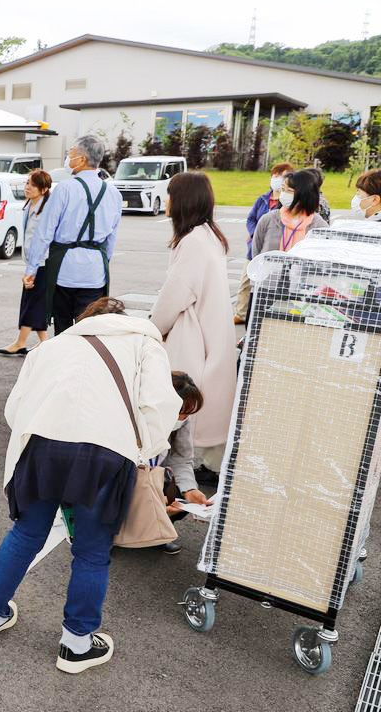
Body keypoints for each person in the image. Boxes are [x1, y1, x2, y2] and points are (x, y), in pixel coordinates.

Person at [0, 297, 180, 674]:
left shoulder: (52, 346)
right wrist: (141, 450)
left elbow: (14, 409)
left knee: (25, 534)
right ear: (123, 320)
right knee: (91, 551)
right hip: (105, 454)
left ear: (86, 320)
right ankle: (76, 645)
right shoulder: (144, 343)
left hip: (41, 448)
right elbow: (158, 406)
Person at [149, 172, 237, 476]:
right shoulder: (209, 235)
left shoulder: (193, 242)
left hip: (193, 336)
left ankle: (179, 468)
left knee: (181, 402)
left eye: (171, 194)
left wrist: (151, 329)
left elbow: (173, 297)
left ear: (183, 200)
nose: (167, 200)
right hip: (209, 332)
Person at [23, 135, 121, 336]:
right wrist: (101, 261)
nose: (68, 157)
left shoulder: (65, 189)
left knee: (63, 330)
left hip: (65, 271)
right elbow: (111, 239)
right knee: (89, 331)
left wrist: (32, 269)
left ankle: (65, 366)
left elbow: (44, 233)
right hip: (95, 274)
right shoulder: (113, 193)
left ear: (82, 159)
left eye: (71, 154)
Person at [0, 169, 53, 356]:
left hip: (42, 263)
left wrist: (33, 269)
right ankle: (44, 342)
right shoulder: (31, 204)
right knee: (35, 302)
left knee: (31, 303)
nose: (27, 187)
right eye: (27, 183)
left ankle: (20, 343)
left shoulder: (47, 209)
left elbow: (43, 240)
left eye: (32, 184)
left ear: (44, 189)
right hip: (33, 261)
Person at [156, 371, 213, 554]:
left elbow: (182, 458)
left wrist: (190, 490)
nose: (184, 418)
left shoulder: (181, 422)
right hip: (126, 476)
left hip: (152, 474)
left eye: (188, 413)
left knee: (181, 494)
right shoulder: (138, 416)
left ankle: (158, 533)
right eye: (181, 412)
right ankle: (111, 535)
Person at [234, 164, 288, 323]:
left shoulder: (286, 202)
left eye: (281, 176)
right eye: (275, 176)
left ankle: (259, 316)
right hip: (254, 248)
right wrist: (254, 233)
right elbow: (251, 219)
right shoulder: (263, 199)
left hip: (272, 252)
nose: (276, 180)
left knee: (264, 286)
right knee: (245, 282)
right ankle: (240, 313)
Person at [251, 168, 328, 257]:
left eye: (289, 191)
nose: (284, 194)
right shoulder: (269, 219)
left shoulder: (318, 225)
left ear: (304, 195)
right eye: (283, 190)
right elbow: (256, 252)